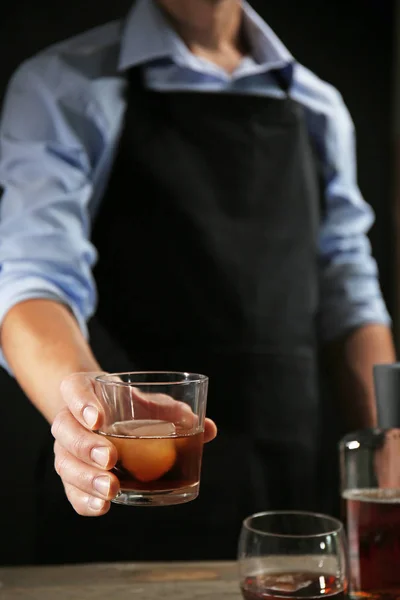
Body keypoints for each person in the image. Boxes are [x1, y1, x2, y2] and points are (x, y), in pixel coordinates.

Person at [0, 0, 395, 564]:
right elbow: (32, 281)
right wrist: (87, 407)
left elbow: (350, 292)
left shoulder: (318, 105)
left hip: (289, 479)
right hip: (130, 475)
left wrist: (387, 441)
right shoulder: (62, 85)